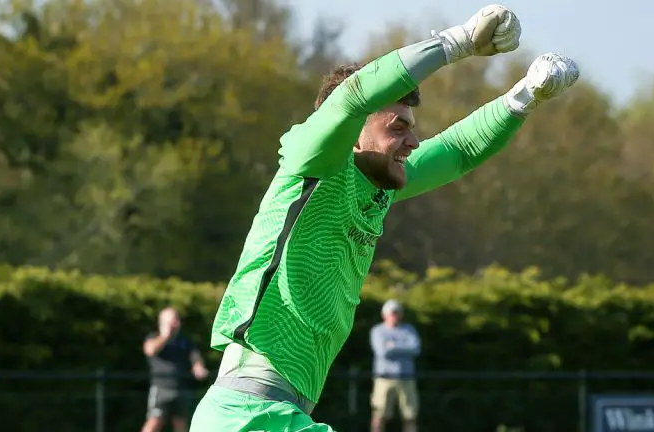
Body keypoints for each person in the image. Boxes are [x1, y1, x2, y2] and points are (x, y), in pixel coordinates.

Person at [190, 4, 580, 431]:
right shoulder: (311, 163)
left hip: (275, 414)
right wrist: (460, 41)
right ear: (354, 131)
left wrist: (525, 95)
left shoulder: (372, 190)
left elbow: (457, 152)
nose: (413, 141)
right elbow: (354, 96)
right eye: (398, 127)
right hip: (249, 414)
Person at [142, 307, 209, 432]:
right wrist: (165, 336)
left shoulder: (186, 341)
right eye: (173, 321)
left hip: (182, 389)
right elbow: (150, 350)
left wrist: (199, 369)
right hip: (161, 389)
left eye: (177, 320)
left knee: (181, 424)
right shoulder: (153, 337)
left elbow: (196, 359)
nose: (177, 324)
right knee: (154, 422)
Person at [370, 300, 421, 432]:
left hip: (406, 378)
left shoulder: (409, 330)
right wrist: (403, 348)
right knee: (379, 415)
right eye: (392, 313)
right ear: (384, 314)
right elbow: (382, 352)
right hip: (384, 379)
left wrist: (393, 346)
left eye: (397, 312)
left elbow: (415, 349)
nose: (395, 315)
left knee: (410, 416)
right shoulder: (378, 331)